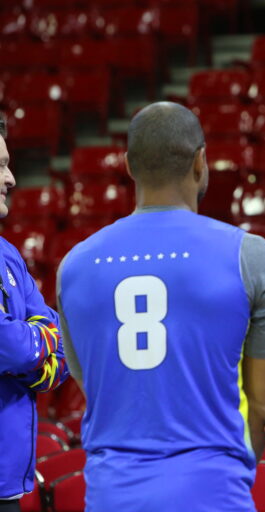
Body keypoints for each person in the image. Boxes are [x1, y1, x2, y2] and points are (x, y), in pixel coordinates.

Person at [57, 102, 265, 511]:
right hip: (215, 491)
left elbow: (92, 381)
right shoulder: (250, 255)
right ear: (201, 162)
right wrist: (234, 464)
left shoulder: (74, 265)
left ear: (128, 166)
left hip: (113, 494)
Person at [0, 114, 69, 511]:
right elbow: (11, 347)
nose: (11, 179)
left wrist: (31, 346)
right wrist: (33, 346)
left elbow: (62, 354)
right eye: (1, 166)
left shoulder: (8, 255)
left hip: (9, 486)